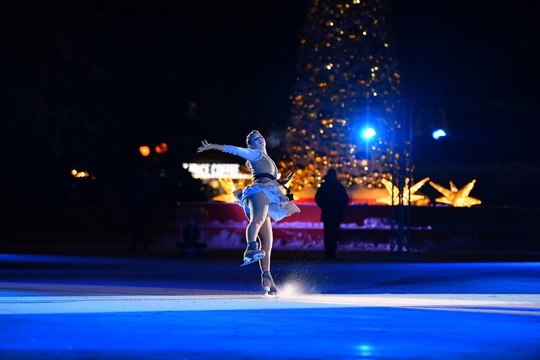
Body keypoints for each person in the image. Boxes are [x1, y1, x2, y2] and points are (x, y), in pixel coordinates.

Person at [197, 130, 300, 296]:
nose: (259, 139)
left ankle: (267, 278)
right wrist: (213, 146)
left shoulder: (266, 158)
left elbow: (266, 176)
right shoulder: (255, 154)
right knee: (258, 220)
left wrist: (280, 183)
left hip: (267, 193)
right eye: (255, 139)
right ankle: (251, 248)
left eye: (260, 137)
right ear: (250, 145)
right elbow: (235, 150)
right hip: (258, 193)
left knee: (267, 243)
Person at [315, 168, 349, 259]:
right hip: (332, 213)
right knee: (331, 234)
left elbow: (344, 199)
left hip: (331, 213)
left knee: (331, 234)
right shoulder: (336, 187)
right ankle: (330, 252)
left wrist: (325, 206)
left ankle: (330, 251)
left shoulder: (328, 187)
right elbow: (318, 198)